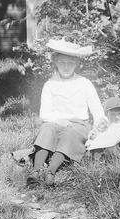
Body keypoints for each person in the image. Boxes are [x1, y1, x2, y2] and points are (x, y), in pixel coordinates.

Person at [23, 39, 107, 186]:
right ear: (56, 63)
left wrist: (99, 128)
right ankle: (35, 171)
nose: (66, 67)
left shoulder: (84, 83)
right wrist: (57, 120)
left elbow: (97, 111)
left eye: (70, 63)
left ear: (76, 64)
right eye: (62, 63)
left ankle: (50, 171)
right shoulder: (50, 84)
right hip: (56, 122)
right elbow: (45, 112)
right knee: (47, 128)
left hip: (79, 125)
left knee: (69, 133)